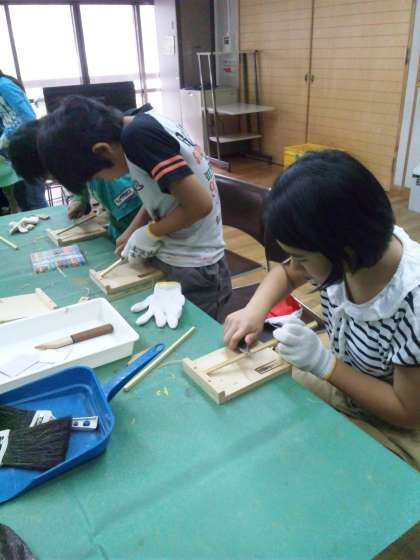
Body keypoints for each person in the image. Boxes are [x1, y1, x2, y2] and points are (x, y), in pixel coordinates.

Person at [224, 150, 420, 470]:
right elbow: (288, 273)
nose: (296, 266)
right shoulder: (351, 254)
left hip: (398, 426)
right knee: (267, 407)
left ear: (345, 251)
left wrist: (324, 364)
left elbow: (407, 412)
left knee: (320, 461)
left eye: (301, 258)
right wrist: (253, 311)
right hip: (346, 384)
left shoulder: (412, 304)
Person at [36, 95, 232, 320]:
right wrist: (134, 229)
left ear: (103, 150)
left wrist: (150, 232)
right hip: (181, 253)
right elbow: (162, 191)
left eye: (96, 175)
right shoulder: (134, 124)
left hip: (194, 263)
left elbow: (199, 205)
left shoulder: (139, 138)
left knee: (191, 328)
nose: (103, 180)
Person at [8, 118, 142, 241]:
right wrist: (80, 199)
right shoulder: (78, 161)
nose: (57, 181)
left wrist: (124, 235)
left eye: (52, 176)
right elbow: (81, 180)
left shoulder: (110, 176)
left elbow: (138, 219)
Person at [0, 70, 47, 211]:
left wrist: (5, 137)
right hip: (16, 152)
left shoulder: (4, 85)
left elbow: (28, 117)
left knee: (34, 201)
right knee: (25, 200)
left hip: (27, 148)